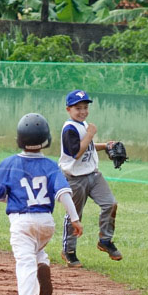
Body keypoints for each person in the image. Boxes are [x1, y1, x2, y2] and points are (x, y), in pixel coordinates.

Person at [0, 113, 82, 295]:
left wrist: (13, 199)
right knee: (36, 249)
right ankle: (43, 263)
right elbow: (63, 193)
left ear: (19, 139)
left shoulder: (10, 163)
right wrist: (75, 219)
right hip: (45, 222)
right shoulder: (50, 166)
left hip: (22, 221)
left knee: (24, 263)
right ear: (47, 139)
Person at [58, 89, 122, 268]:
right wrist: (90, 134)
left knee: (110, 203)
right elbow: (76, 153)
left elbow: (89, 146)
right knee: (74, 215)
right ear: (68, 109)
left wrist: (107, 145)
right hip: (75, 178)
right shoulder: (69, 128)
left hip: (93, 174)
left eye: (85, 107)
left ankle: (105, 240)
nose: (83, 111)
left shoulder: (83, 125)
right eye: (78, 108)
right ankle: (69, 251)